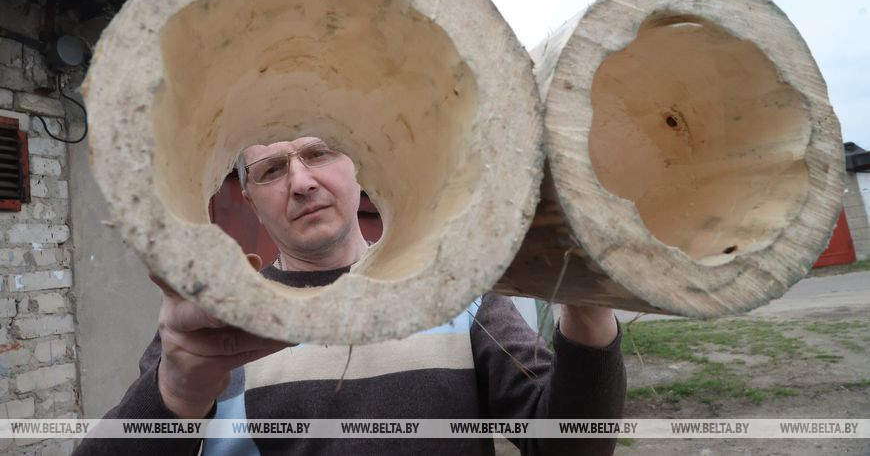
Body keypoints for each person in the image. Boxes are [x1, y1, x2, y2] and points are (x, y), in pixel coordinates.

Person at [74, 136, 626, 456]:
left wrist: (586, 301)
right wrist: (175, 388)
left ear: (360, 165)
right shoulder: (218, 321)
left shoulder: (454, 292)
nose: (302, 181)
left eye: (319, 153)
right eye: (271, 170)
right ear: (249, 196)